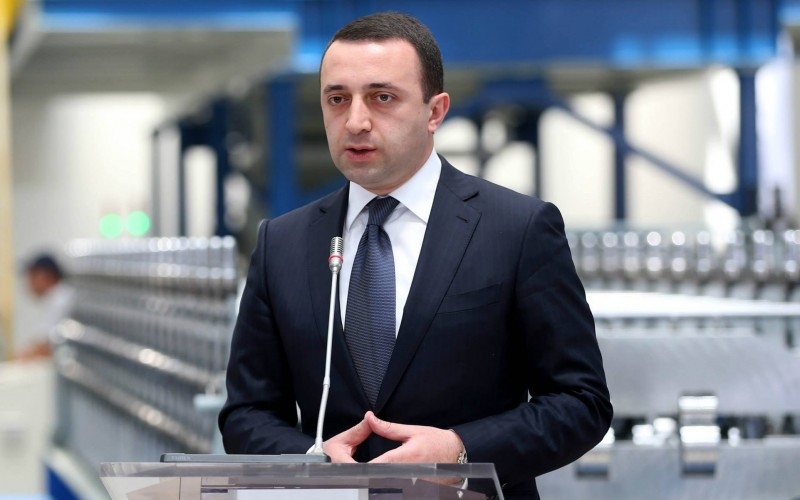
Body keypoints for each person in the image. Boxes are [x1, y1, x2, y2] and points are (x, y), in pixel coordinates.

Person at [219, 11, 612, 498]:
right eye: (337, 99)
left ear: (435, 111)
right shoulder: (282, 243)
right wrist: (311, 462)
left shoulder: (517, 229)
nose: (356, 121)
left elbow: (581, 401)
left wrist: (461, 450)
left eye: (382, 97)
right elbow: (247, 413)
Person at [17, 253, 75, 360]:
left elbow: (47, 346)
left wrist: (26, 354)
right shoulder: (56, 297)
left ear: (46, 275)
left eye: (32, 276)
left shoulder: (60, 299)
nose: (28, 282)